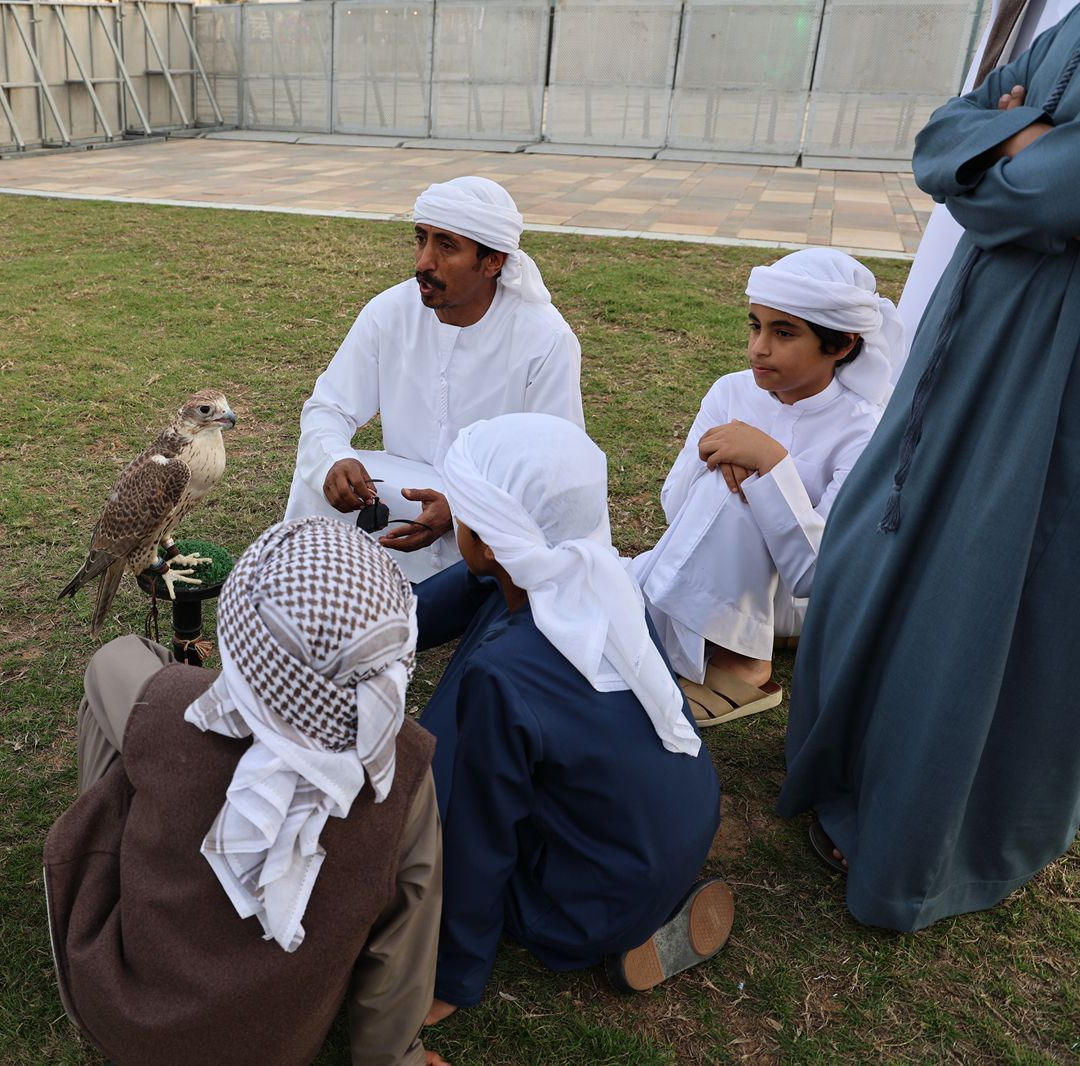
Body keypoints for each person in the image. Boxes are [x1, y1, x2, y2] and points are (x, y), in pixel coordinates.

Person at [778, 7, 1080, 932]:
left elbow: (1036, 199)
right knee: (883, 539)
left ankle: (932, 840)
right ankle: (853, 763)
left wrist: (1008, 143)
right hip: (965, 332)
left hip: (1054, 373)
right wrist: (1016, 138)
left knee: (990, 589)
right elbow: (940, 141)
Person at [44, 517, 447, 1066]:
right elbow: (402, 942)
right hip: (277, 1044)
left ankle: (113, 858)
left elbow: (113, 660)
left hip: (125, 1014)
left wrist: (187, 683)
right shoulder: (404, 772)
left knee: (121, 723)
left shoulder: (164, 708)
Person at [413, 414, 728, 1025]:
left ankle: (612, 932)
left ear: (481, 536)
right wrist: (379, 620)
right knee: (494, 620)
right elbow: (483, 577)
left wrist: (449, 978)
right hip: (669, 840)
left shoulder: (502, 676)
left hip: (581, 908)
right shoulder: (598, 580)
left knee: (424, 802)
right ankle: (651, 906)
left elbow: (480, 840)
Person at [627, 249, 902, 725]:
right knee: (721, 488)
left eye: (784, 333)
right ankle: (699, 636)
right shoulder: (731, 390)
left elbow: (820, 574)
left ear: (840, 345)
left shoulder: (866, 431)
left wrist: (772, 466)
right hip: (709, 570)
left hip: (801, 602)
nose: (759, 348)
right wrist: (734, 469)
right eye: (755, 326)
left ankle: (747, 663)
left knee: (738, 491)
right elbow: (675, 506)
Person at [284, 175, 584, 582]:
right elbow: (328, 407)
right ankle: (331, 590)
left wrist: (462, 510)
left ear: (492, 261)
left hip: (494, 511)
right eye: (421, 239)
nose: (423, 262)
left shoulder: (544, 339)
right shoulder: (390, 311)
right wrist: (335, 458)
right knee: (314, 485)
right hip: (406, 490)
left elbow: (554, 470)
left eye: (446, 246)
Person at [896, 0, 1079, 369]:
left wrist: (986, 150)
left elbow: (1053, 198)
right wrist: (1021, 139)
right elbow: (936, 139)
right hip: (957, 322)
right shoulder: (1068, 25)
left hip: (1044, 352)